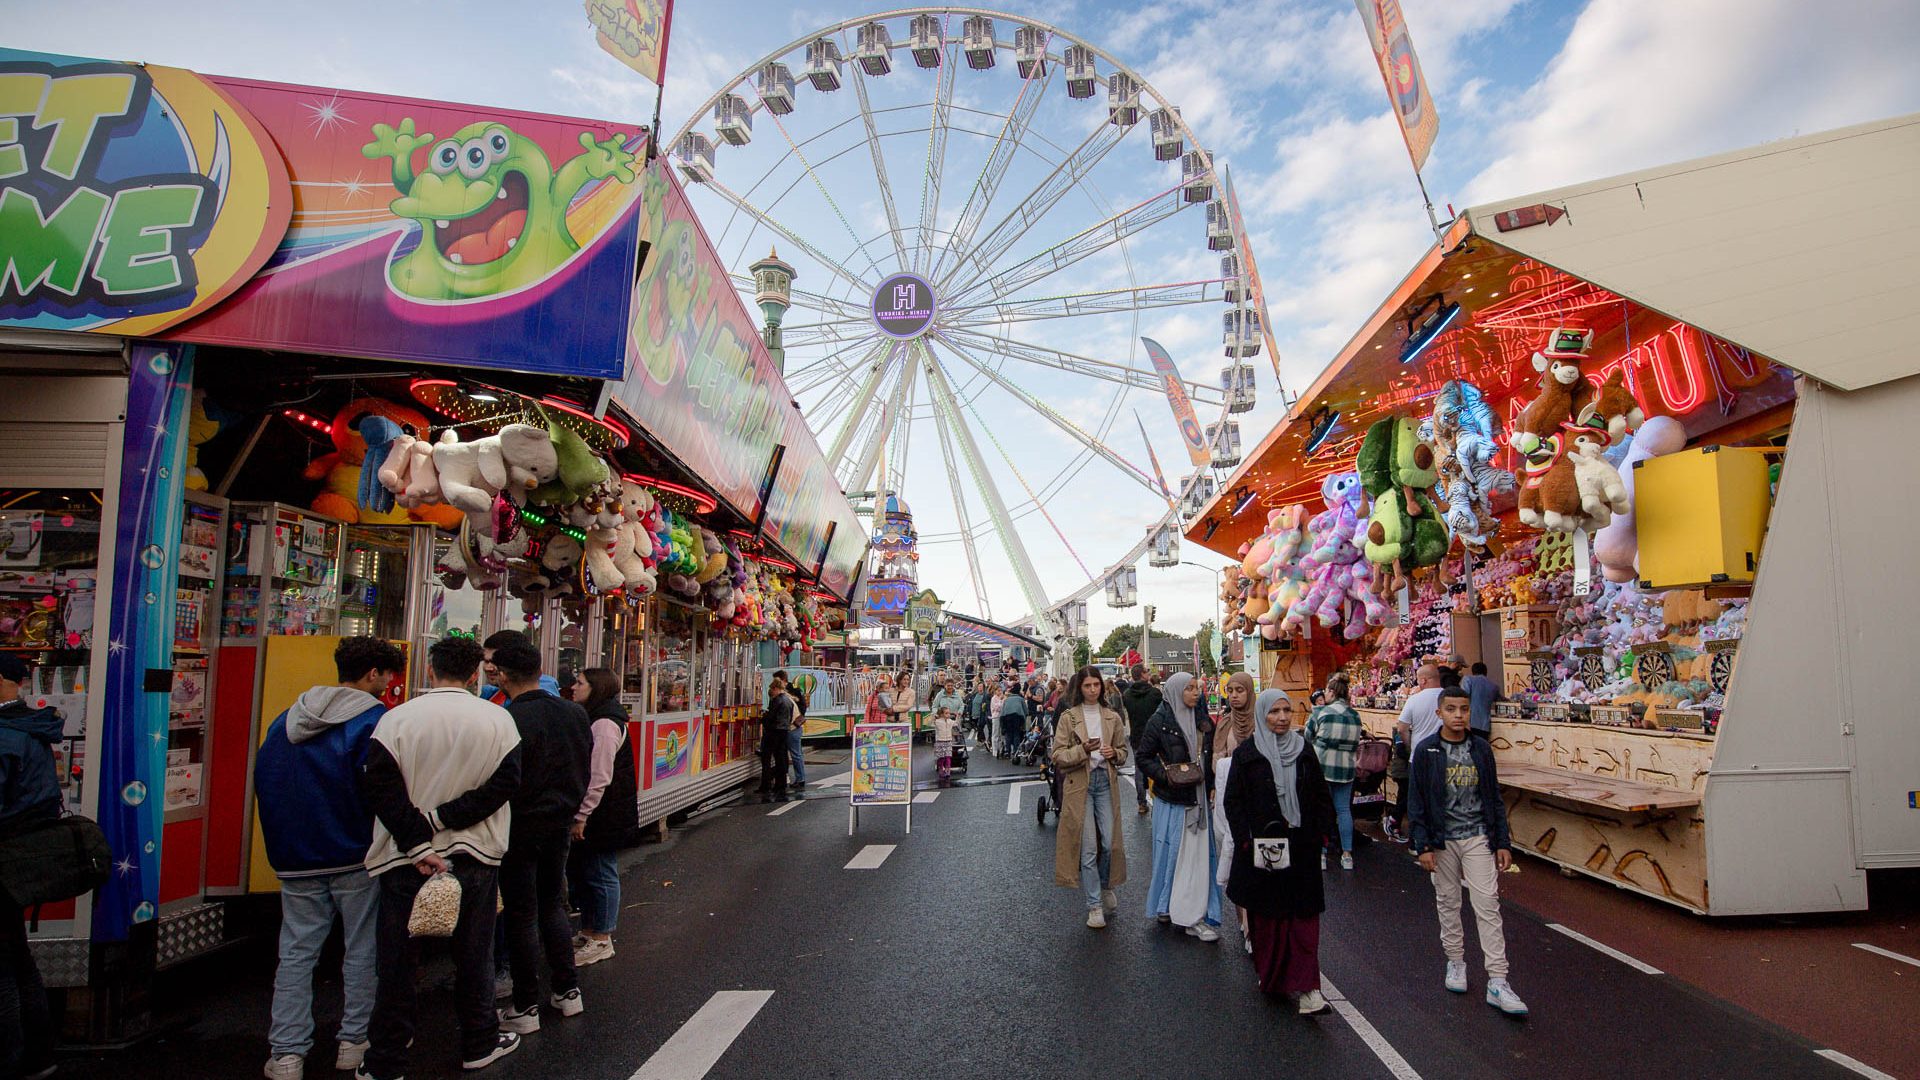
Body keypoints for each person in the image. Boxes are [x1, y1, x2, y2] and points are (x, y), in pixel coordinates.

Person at [358, 636, 524, 1079]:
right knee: (474, 955)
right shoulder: (498, 721)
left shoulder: (396, 720)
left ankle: (385, 1060)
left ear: (430, 670)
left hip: (404, 859)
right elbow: (504, 785)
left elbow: (380, 789)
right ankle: (479, 1042)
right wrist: (443, 819)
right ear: (474, 675)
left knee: (397, 962)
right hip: (476, 855)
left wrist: (418, 838)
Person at [255, 637, 404, 1080]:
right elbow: (383, 788)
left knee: (296, 952)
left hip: (294, 855)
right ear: (373, 673)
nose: (391, 684)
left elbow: (268, 779)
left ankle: (286, 1053)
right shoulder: (374, 720)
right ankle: (354, 1041)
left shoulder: (288, 718)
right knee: (361, 948)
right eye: (389, 675)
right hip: (355, 852)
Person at [1409, 687, 1528, 1017]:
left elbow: (1493, 797)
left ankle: (1499, 980)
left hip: (1477, 836)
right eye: (1451, 709)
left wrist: (1502, 842)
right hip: (1442, 839)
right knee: (1448, 901)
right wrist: (1423, 846)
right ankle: (1456, 962)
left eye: (1463, 709)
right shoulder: (1426, 750)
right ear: (1439, 713)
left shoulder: (1480, 749)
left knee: (1487, 904)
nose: (1459, 715)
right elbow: (1416, 801)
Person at [493, 641, 592, 1035]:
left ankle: (525, 1004)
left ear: (502, 675)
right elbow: (584, 764)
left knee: (520, 913)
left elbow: (501, 778)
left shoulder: (506, 718)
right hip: (559, 824)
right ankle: (568, 991)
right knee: (553, 905)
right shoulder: (573, 713)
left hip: (518, 826)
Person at [1224, 689, 1336, 1013]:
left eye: (1287, 710)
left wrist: (1322, 833)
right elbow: (1235, 802)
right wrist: (1246, 840)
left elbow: (1319, 794)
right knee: (1269, 920)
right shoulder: (1248, 754)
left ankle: (1308, 989)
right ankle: (1272, 978)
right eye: (1274, 712)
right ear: (1262, 715)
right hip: (1265, 848)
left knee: (1303, 919)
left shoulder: (1304, 751)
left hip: (1302, 847)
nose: (1282, 718)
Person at [0, 653, 60, 1080]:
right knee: (17, 960)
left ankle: (11, 1060)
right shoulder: (31, 729)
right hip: (20, 863)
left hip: (3, 858)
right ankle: (37, 1056)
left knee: (3, 969)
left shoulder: (6, 735)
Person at [1134, 671, 1223, 941]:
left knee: (1195, 859)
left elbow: (1208, 756)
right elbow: (1143, 757)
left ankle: (1191, 912)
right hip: (1174, 801)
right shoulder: (1160, 721)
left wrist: (1210, 783)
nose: (1195, 693)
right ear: (1175, 692)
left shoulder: (1202, 720)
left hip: (1197, 801)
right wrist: (1167, 777)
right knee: (1174, 856)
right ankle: (1174, 908)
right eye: (1189, 689)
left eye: (1197, 688)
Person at [567, 668, 638, 969]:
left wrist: (582, 815)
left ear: (596, 689)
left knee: (601, 872)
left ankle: (602, 937)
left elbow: (599, 776)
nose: (573, 687)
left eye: (580, 683)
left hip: (604, 813)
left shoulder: (606, 724)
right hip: (603, 810)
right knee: (587, 872)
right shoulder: (596, 717)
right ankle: (588, 930)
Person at [1051, 668, 1129, 928]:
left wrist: (1113, 754)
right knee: (1088, 849)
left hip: (1105, 782)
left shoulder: (1112, 717)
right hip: (1079, 785)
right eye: (1088, 685)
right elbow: (1058, 755)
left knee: (1110, 843)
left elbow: (1123, 751)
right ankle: (1094, 906)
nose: (1093, 690)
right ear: (1079, 688)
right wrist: (1082, 750)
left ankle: (1106, 885)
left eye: (1096, 685)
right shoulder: (1069, 718)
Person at [1307, 674, 1364, 871]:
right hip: (1346, 770)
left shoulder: (1321, 713)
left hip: (1322, 769)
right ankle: (1347, 855)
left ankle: (1322, 853)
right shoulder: (1355, 716)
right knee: (1343, 810)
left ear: (1331, 692)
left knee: (1322, 811)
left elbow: (1307, 736)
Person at [1384, 663, 1443, 844]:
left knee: (1417, 801)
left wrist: (1410, 746)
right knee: (1440, 800)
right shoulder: (1449, 697)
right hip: (1445, 757)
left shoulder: (1414, 699)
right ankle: (1439, 840)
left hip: (1418, 758)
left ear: (1423, 680)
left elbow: (1402, 728)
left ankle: (1418, 843)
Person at [1121, 664, 1162, 816]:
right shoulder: (1155, 694)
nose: (1149, 673)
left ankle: (1141, 803)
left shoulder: (1127, 695)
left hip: (1137, 736)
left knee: (1139, 770)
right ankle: (1157, 800)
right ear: (1143, 675)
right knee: (1156, 769)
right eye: (1147, 671)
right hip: (1154, 736)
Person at [477, 630, 560, 703]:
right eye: (486, 661)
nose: (488, 668)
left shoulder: (542, 691)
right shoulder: (490, 693)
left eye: (494, 662)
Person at [758, 676, 795, 800]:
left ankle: (766, 784)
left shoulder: (777, 700)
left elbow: (771, 716)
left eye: (771, 690)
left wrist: (763, 719)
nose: (771, 693)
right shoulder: (788, 700)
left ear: (775, 688)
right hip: (784, 731)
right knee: (781, 757)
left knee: (766, 757)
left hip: (773, 732)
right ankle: (781, 783)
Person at [772, 670, 808, 790]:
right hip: (794, 727)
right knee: (796, 754)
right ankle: (798, 777)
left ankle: (800, 778)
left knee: (795, 754)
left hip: (792, 728)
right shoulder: (789, 696)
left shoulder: (785, 697)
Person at [1461, 662, 1504, 736]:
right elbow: (1501, 700)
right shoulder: (1494, 686)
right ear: (1486, 672)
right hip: (1484, 726)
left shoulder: (1468, 680)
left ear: (1473, 671)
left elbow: (1462, 698)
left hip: (1469, 724)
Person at [996, 680, 1027, 760]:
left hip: (1006, 717)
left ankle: (1007, 751)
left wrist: (1001, 723)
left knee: (1008, 733)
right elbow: (1026, 711)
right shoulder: (1020, 699)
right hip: (1016, 716)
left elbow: (1003, 711)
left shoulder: (1007, 699)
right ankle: (1015, 751)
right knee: (1016, 733)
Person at [931, 706, 958, 786]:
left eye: (949, 713)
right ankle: (940, 768)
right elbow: (930, 723)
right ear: (941, 714)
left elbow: (956, 723)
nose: (948, 715)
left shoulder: (950, 721)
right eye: (946, 713)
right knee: (941, 757)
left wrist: (958, 716)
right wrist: (933, 717)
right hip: (940, 741)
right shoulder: (938, 722)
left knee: (948, 756)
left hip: (948, 741)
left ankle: (947, 770)